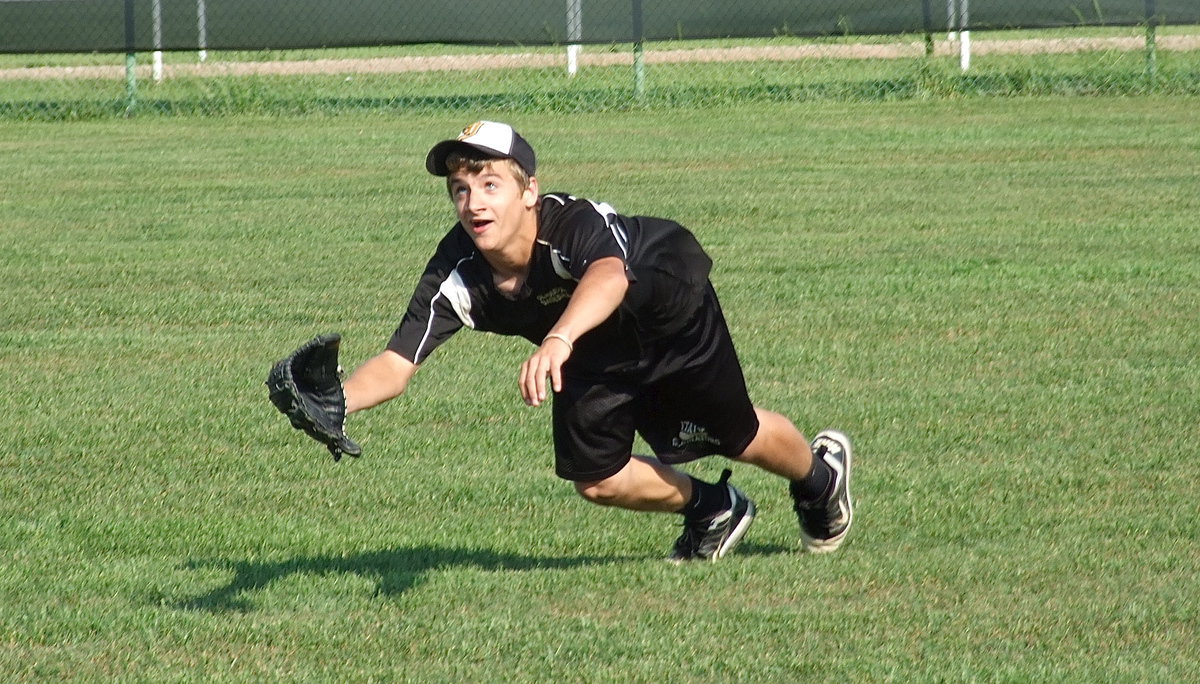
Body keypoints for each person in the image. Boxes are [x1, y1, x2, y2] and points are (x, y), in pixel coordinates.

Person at [342, 120, 854, 562]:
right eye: (460, 188)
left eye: (490, 185)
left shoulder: (569, 222)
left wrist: (559, 336)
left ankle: (818, 480)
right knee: (597, 477)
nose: (473, 202)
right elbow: (396, 362)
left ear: (528, 192)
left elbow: (609, 275)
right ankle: (714, 509)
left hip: (667, 313)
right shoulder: (457, 269)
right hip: (587, 347)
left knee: (733, 435)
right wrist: (335, 401)